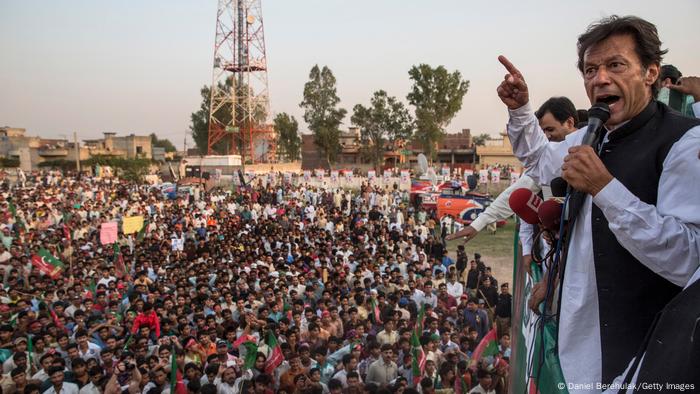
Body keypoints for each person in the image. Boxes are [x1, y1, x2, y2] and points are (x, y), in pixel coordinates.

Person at [497, 14, 700, 390]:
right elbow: (541, 162)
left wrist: (605, 189)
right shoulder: (592, 135)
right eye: (590, 69)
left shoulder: (685, 143)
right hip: (576, 343)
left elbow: (689, 259)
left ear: (651, 73)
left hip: (637, 360)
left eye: (615, 65)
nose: (599, 78)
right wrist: (521, 109)